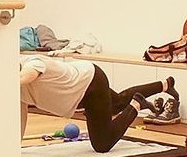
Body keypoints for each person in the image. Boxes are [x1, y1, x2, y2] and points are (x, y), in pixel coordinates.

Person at [19, 56, 174, 149]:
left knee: (102, 144)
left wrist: (2, 84)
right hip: (86, 76)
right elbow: (21, 115)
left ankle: (136, 104)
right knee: (118, 102)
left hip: (90, 85)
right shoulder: (17, 89)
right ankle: (165, 84)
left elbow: (28, 74)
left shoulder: (32, 63)